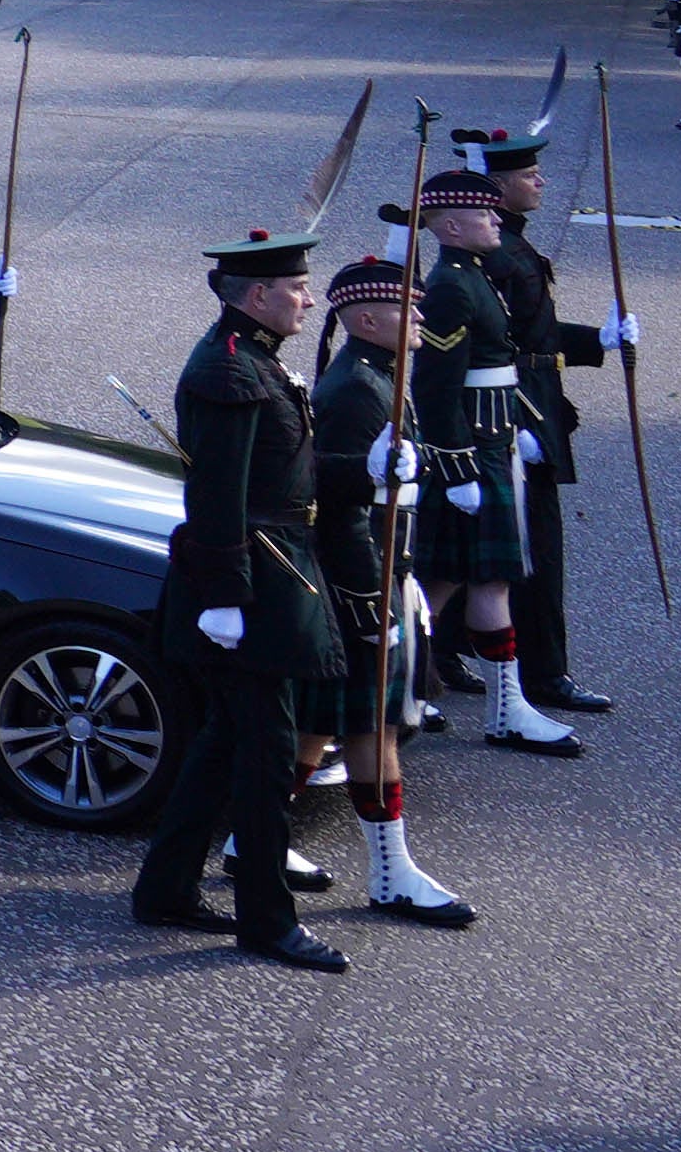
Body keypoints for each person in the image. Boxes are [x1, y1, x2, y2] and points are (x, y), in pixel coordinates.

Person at [127, 230, 349, 969]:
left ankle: (165, 889)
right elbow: (216, 493)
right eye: (297, 287)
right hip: (250, 585)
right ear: (257, 296)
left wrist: (365, 470)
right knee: (264, 756)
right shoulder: (230, 371)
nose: (309, 299)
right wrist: (227, 598)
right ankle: (267, 919)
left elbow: (278, 472)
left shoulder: (251, 358)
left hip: (269, 570)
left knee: (225, 744)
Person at [304, 251, 474, 927]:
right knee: (377, 727)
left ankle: (245, 841)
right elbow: (341, 510)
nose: (419, 315)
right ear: (367, 317)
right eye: (407, 307)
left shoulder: (379, 376)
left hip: (378, 574)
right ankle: (391, 873)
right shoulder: (355, 390)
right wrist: (370, 601)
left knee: (320, 727)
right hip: (366, 578)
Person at [407, 168, 585, 754]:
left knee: (460, 580)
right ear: (452, 226)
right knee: (468, 582)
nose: (495, 222)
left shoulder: (474, 275)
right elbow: (434, 386)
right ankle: (483, 706)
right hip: (473, 454)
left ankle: (441, 695)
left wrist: (523, 425)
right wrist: (458, 469)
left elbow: (500, 363)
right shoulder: (454, 286)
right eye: (484, 215)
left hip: (493, 439)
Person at [469, 135, 632, 727]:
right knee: (534, 548)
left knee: (496, 543)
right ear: (501, 186)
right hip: (516, 407)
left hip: (531, 397)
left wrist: (597, 340)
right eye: (531, 175)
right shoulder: (499, 251)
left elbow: (534, 333)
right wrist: (512, 420)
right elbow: (492, 347)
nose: (540, 183)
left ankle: (453, 652)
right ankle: (543, 673)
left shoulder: (511, 244)